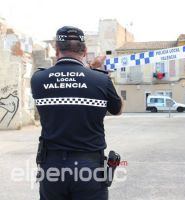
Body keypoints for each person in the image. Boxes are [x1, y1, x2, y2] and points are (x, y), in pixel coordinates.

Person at [31, 26, 123, 200]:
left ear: (57, 50)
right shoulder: (101, 80)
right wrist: (93, 69)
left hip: (51, 167)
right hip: (89, 168)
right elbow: (117, 110)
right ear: (85, 51)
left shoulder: (38, 80)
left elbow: (68, 80)